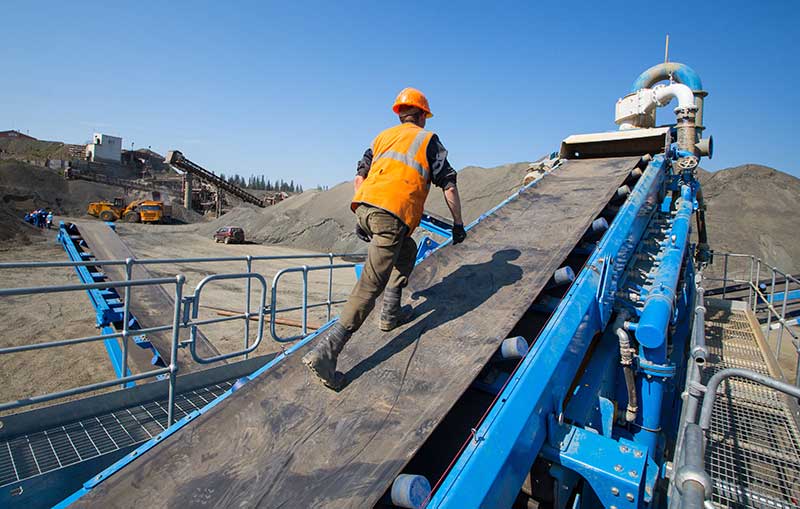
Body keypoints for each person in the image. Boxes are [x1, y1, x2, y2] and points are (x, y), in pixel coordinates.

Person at [303, 87, 467, 389]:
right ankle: (326, 354)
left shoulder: (381, 138)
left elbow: (359, 177)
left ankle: (390, 313)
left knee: (408, 251)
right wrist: (458, 224)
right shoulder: (428, 141)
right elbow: (449, 185)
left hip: (365, 207)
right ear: (421, 116)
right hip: (391, 216)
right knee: (369, 285)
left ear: (400, 114)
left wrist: (364, 210)